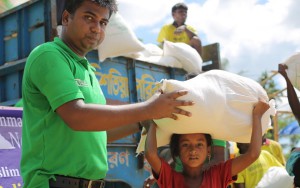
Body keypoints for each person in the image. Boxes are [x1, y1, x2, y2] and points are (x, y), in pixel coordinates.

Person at [20, 1, 195, 188]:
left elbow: (97, 132)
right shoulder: (49, 56)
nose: (96, 28)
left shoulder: (87, 70)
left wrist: (141, 121)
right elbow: (77, 117)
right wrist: (148, 109)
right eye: (89, 18)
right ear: (66, 18)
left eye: (103, 22)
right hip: (52, 183)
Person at [145, 99, 270, 188]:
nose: (193, 150)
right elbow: (150, 154)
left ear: (208, 150)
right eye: (185, 145)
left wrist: (257, 116)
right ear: (177, 150)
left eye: (199, 145)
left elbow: (253, 154)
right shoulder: (170, 178)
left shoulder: (218, 174)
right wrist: (153, 124)